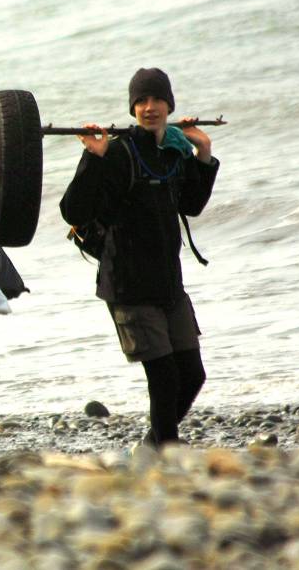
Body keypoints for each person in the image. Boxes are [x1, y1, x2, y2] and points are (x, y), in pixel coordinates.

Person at [59, 68, 219, 446]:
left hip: (168, 284)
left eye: (157, 100)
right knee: (164, 378)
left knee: (192, 375)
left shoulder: (174, 151)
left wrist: (203, 154)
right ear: (132, 108)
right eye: (141, 101)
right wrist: (93, 159)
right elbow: (73, 211)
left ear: (169, 104)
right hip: (128, 284)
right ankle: (165, 451)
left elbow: (192, 205)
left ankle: (154, 446)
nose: (150, 108)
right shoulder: (117, 153)